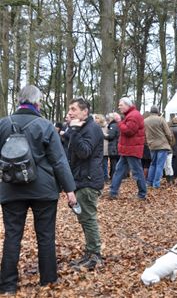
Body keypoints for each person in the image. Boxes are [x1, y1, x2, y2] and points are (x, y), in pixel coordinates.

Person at [0, 85, 77, 294]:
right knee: (45, 236)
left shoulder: (3, 124)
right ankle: (48, 280)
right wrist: (70, 189)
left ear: (19, 101)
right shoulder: (45, 125)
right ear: (36, 103)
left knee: (12, 236)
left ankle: (7, 285)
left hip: (10, 189)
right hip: (43, 190)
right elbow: (59, 160)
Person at [66, 98, 105, 269]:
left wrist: (73, 132)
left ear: (85, 112)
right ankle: (90, 253)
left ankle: (95, 256)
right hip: (80, 179)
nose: (70, 112)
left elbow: (84, 152)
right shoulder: (82, 128)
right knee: (84, 218)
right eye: (69, 109)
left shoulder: (92, 128)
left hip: (88, 181)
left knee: (88, 219)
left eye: (74, 109)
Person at [108, 97, 147, 200]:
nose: (119, 107)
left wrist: (119, 121)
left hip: (132, 149)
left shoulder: (134, 115)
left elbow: (129, 131)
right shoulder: (131, 115)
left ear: (127, 105)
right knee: (119, 170)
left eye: (121, 105)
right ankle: (113, 192)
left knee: (137, 172)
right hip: (127, 149)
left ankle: (142, 194)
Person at [144, 106, 174, 188]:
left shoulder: (145, 121)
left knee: (153, 164)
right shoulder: (161, 119)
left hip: (152, 145)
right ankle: (156, 184)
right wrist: (170, 142)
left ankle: (149, 182)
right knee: (159, 165)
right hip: (162, 145)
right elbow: (168, 133)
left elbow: (144, 134)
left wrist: (147, 142)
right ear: (157, 112)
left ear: (151, 112)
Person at [104, 112, 120, 180]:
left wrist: (104, 135)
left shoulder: (113, 126)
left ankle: (114, 177)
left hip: (113, 147)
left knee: (113, 163)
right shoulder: (116, 125)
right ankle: (113, 176)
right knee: (114, 163)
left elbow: (111, 136)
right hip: (115, 146)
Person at [93, 114, 109, 181]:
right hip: (97, 147)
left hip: (104, 147)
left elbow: (110, 135)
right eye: (95, 118)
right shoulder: (95, 126)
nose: (96, 120)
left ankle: (105, 177)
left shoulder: (106, 126)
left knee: (104, 163)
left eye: (97, 118)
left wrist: (103, 134)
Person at [165, 116, 177, 183]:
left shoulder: (169, 129)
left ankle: (171, 175)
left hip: (171, 146)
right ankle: (176, 173)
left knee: (170, 162)